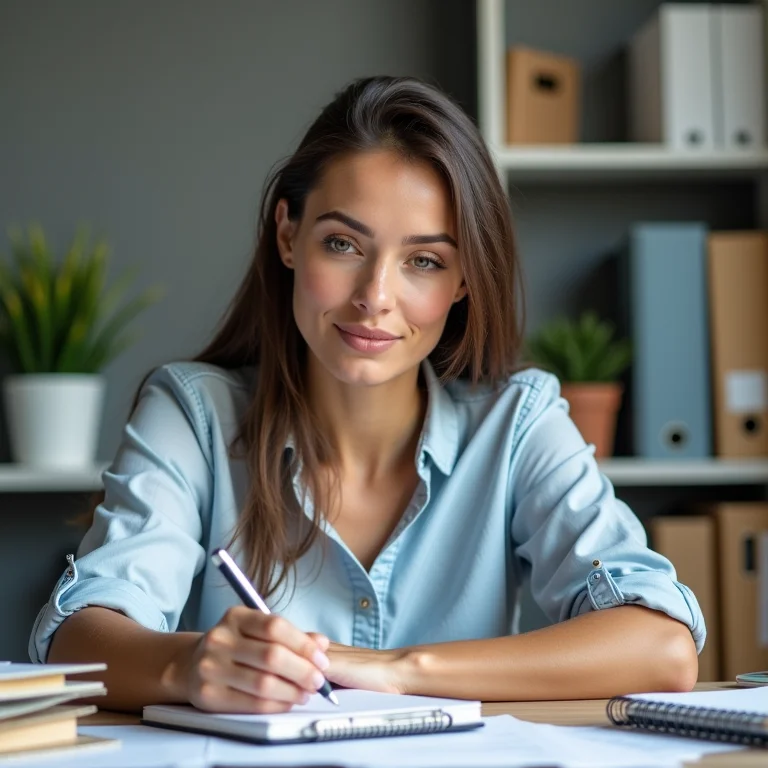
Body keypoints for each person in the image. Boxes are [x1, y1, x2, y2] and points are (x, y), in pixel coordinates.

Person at [32, 76, 704, 714]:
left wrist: (401, 669)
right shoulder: (193, 415)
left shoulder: (517, 425)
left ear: (464, 279)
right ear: (289, 235)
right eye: (343, 243)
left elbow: (662, 647)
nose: (375, 298)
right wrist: (189, 666)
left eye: (424, 261)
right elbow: (78, 637)